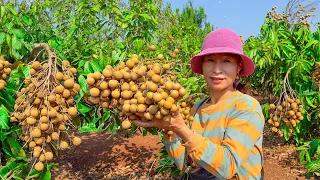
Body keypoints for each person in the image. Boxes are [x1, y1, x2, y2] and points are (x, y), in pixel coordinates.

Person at [132, 28, 265, 180]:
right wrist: (168, 129)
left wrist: (180, 128)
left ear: (239, 67)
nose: (217, 70)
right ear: (202, 66)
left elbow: (226, 168)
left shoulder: (247, 107)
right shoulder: (197, 108)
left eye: (227, 61)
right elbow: (185, 164)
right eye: (210, 60)